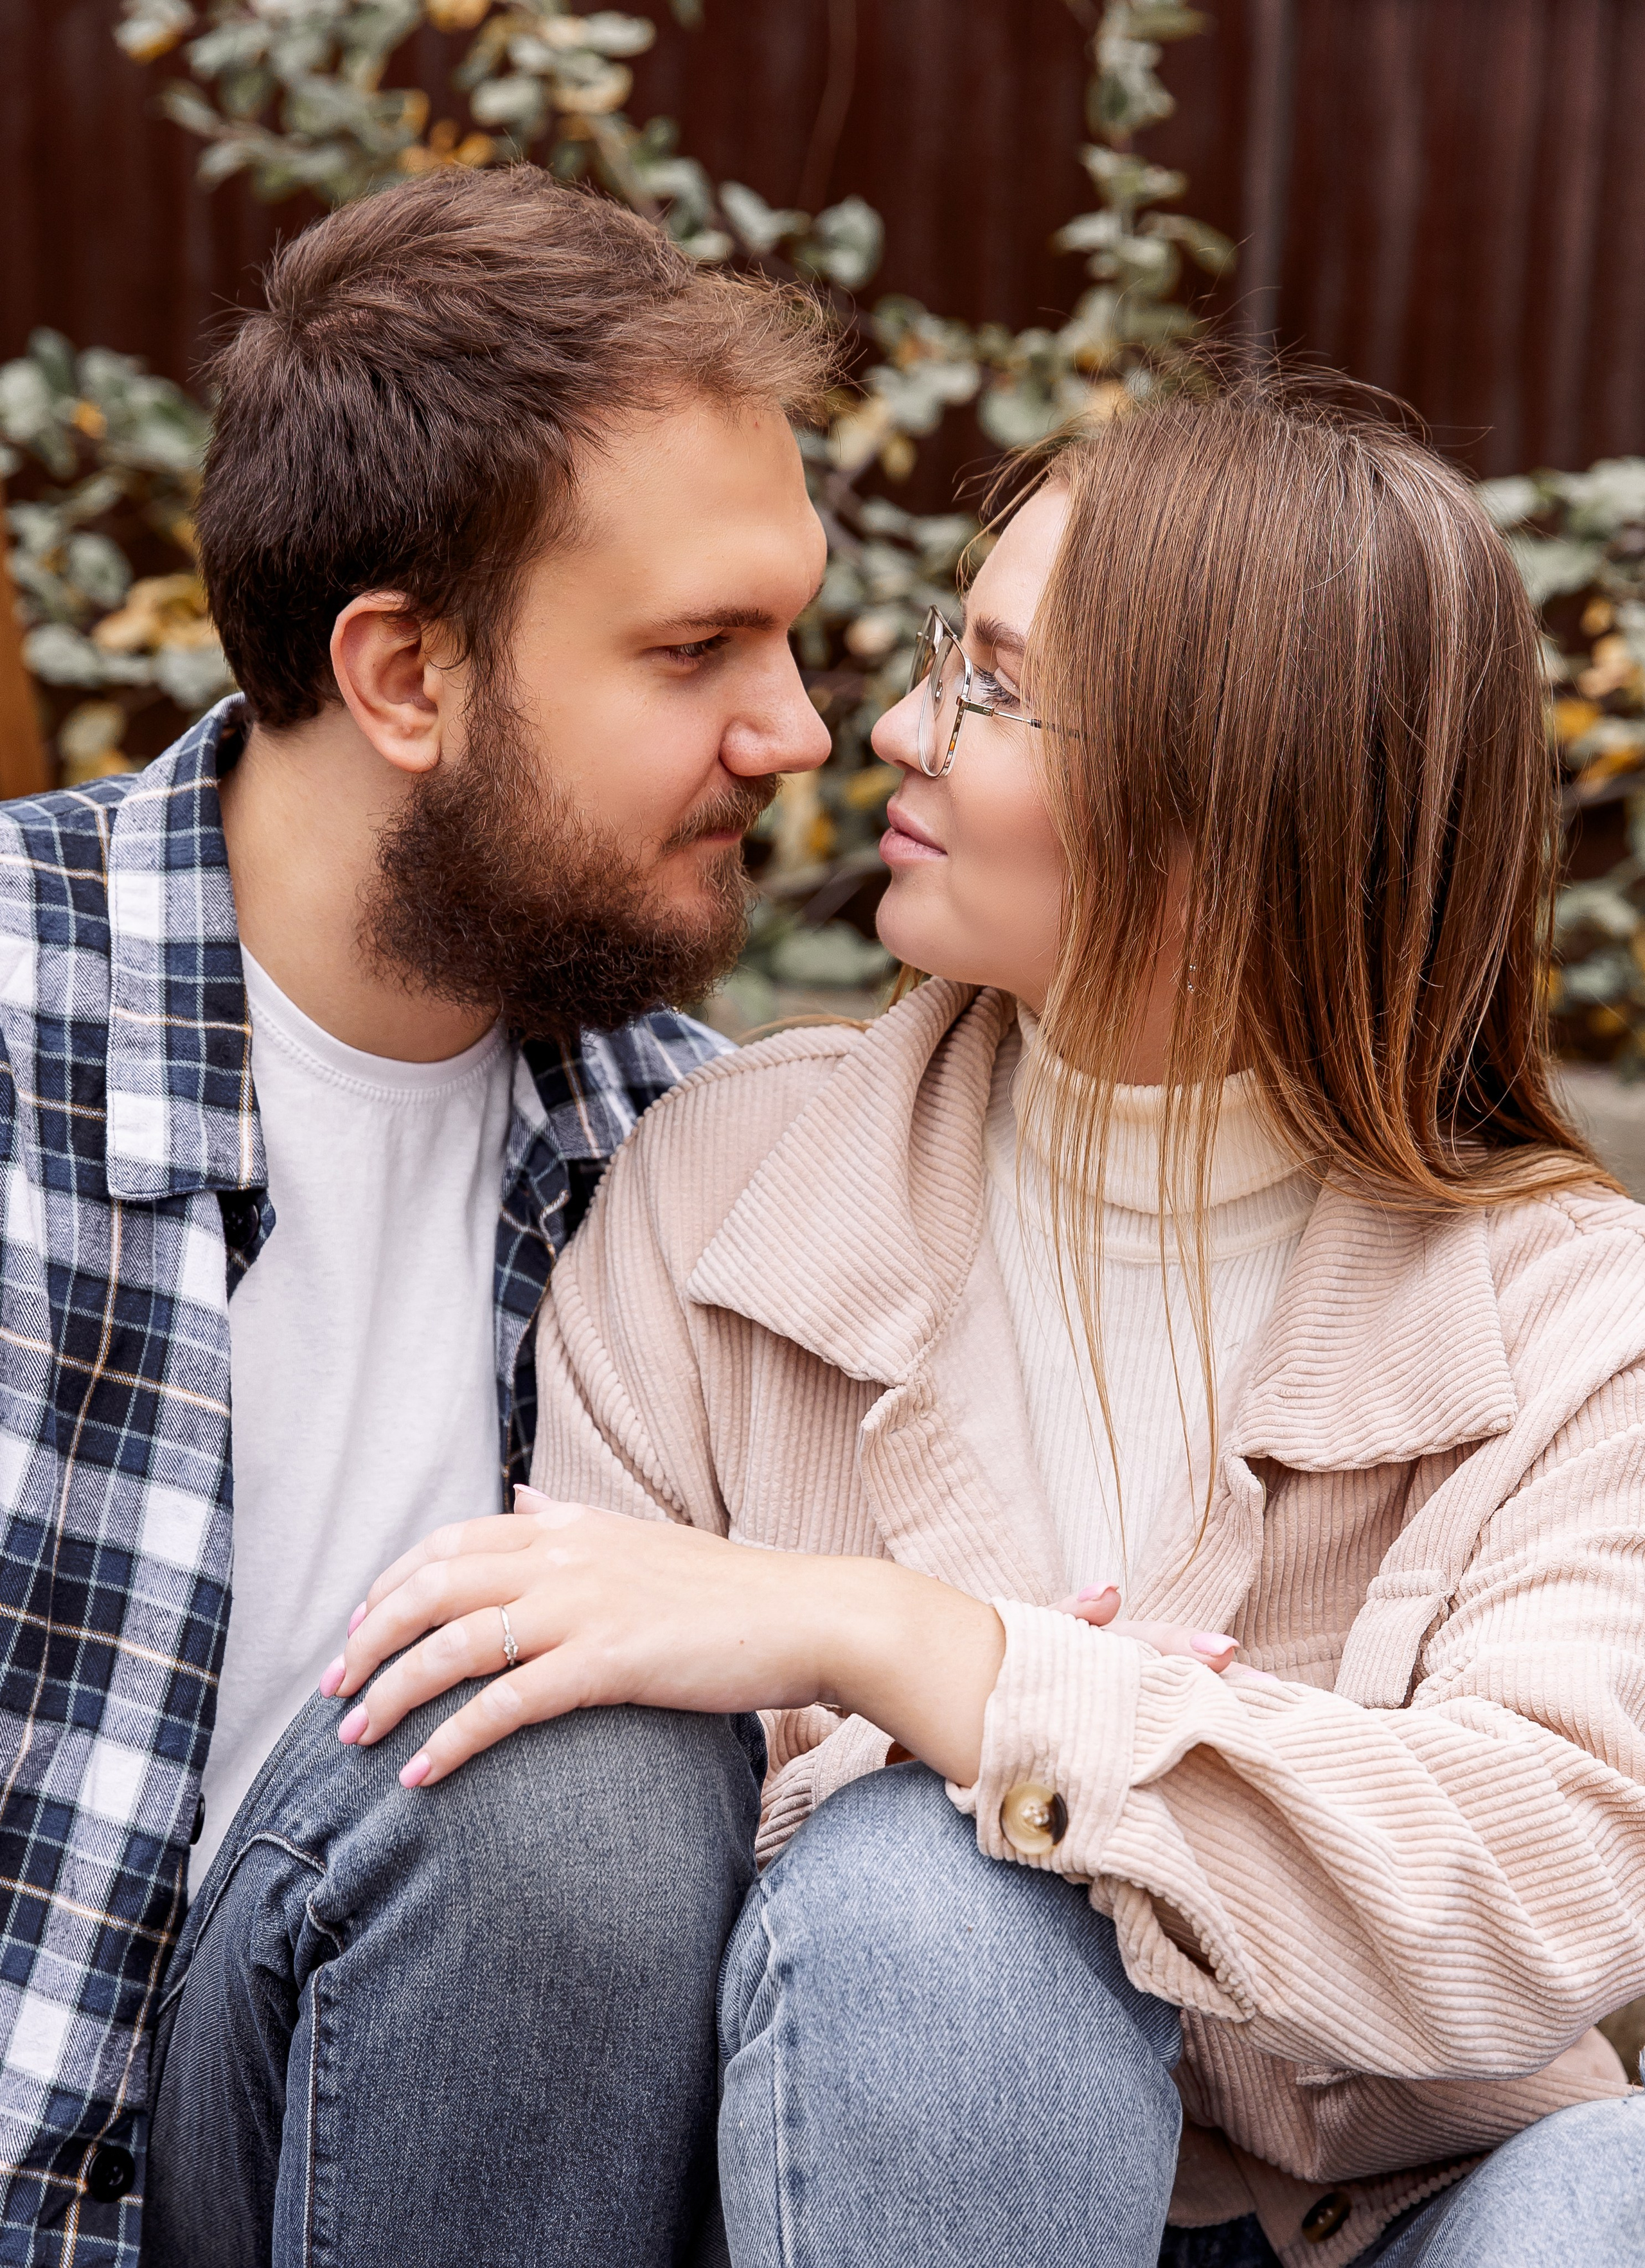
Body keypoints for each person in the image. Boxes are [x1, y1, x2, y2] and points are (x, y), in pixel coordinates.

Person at [335, 384, 1645, 2267]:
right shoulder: (717, 1191)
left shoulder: (1584, 1316)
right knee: (930, 1901)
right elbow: (611, 1874)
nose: (887, 728)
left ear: (1241, 798)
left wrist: (907, 1639)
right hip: (874, 2181)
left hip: (1420, 2214)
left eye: (996, 687)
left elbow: (1537, 1881)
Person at [0, 166, 837, 2264]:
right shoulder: (19, 1019)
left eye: (797, 633)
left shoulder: (695, 1149)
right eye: (695, 649)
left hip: (419, 2151)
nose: (799, 730)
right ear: (402, 676)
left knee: (587, 1783)